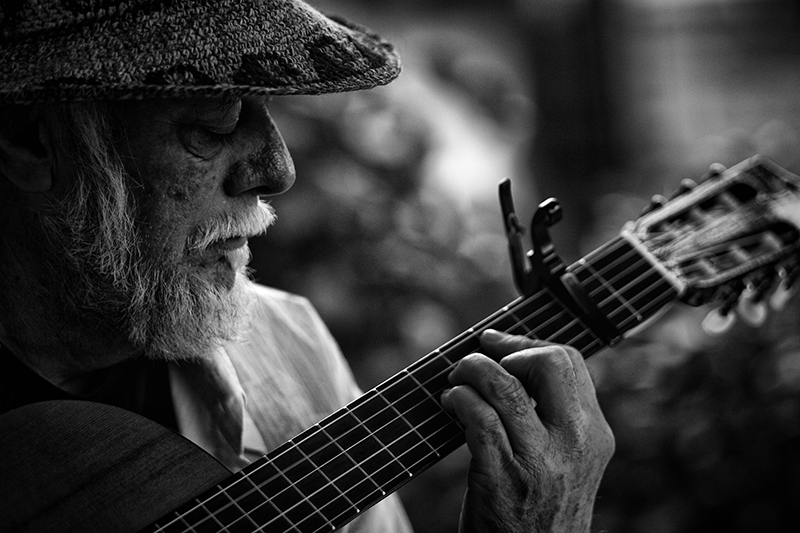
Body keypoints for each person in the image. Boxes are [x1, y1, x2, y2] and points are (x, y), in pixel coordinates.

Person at [0, 1, 614, 532]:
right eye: (209, 126)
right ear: (32, 140)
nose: (277, 170)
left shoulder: (289, 349)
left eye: (269, 110)